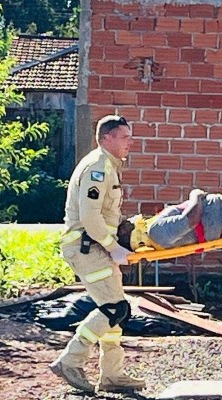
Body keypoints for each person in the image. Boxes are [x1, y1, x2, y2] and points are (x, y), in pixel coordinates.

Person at [49, 115, 145, 394]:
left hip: (94, 246)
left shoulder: (107, 166)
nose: (130, 142)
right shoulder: (98, 168)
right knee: (114, 308)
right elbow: (90, 217)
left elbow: (103, 213)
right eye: (124, 137)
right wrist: (113, 247)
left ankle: (112, 375)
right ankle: (71, 360)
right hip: (88, 248)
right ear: (106, 138)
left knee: (114, 308)